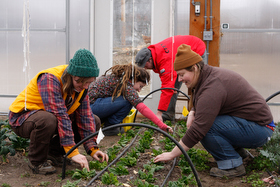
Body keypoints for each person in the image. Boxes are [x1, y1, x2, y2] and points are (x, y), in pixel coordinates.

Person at [154, 44, 275, 178]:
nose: (180, 79)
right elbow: (206, 103)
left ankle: (233, 165)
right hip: (253, 124)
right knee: (208, 122)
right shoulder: (207, 76)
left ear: (194, 68)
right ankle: (237, 153)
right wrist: (193, 111)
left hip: (261, 129)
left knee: (207, 127)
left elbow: (198, 129)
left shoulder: (212, 86)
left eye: (182, 74)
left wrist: (172, 154)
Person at [8, 49, 108, 175]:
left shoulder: (82, 86)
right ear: (71, 75)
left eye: (89, 82)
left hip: (49, 117)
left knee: (95, 119)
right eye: (80, 81)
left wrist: (92, 149)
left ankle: (54, 153)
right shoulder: (49, 79)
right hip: (23, 118)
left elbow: (85, 117)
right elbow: (60, 115)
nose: (85, 86)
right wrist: (73, 152)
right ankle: (36, 161)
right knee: (48, 120)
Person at [135, 35, 206, 122]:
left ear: (150, 59)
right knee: (171, 87)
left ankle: (199, 117)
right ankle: (168, 117)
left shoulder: (165, 60)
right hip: (182, 52)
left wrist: (159, 113)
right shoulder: (155, 53)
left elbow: (166, 88)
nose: (145, 68)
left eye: (145, 65)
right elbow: (165, 78)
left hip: (196, 49)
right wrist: (172, 87)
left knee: (198, 84)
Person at [88, 63, 173, 136]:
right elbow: (142, 108)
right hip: (90, 107)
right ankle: (110, 128)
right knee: (127, 101)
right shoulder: (126, 85)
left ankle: (106, 124)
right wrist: (161, 125)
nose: (139, 90)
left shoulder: (121, 78)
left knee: (124, 100)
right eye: (140, 86)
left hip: (91, 106)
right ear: (135, 80)